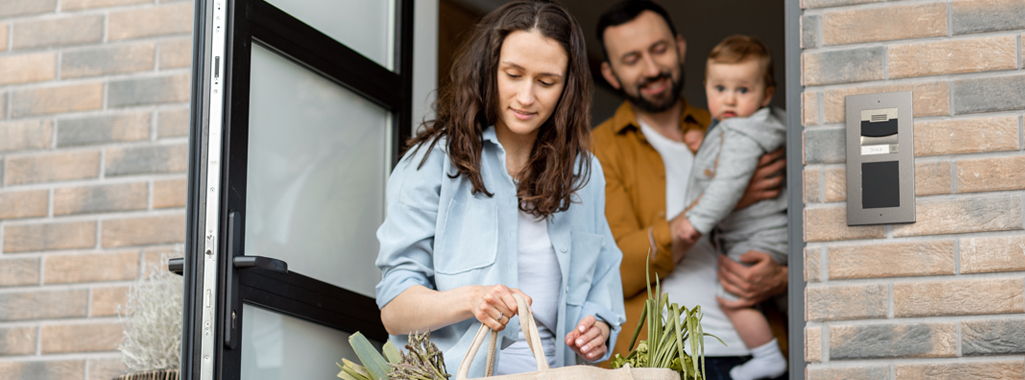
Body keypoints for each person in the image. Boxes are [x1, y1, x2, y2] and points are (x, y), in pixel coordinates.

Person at [375, 1, 626, 377]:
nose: (527, 97)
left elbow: (602, 291)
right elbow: (395, 310)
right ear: (488, 71)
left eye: (546, 82)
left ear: (568, 88)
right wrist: (471, 299)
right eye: (513, 74)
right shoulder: (434, 161)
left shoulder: (583, 174)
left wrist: (597, 327)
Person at [591, 1, 788, 379]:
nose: (651, 68)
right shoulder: (597, 150)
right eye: (632, 59)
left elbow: (798, 221)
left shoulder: (738, 124)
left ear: (680, 48)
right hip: (662, 360)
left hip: (760, 349)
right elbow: (617, 267)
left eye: (659, 49)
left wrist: (783, 277)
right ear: (611, 73)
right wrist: (726, 201)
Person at [676, 35, 788, 380]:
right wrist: (704, 144)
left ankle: (768, 356)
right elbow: (721, 161)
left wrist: (695, 222)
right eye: (720, 88)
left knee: (733, 298)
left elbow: (726, 186)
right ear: (706, 87)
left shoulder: (739, 134)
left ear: (765, 94)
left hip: (754, 236)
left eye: (742, 91)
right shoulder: (739, 127)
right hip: (766, 232)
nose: (729, 99)